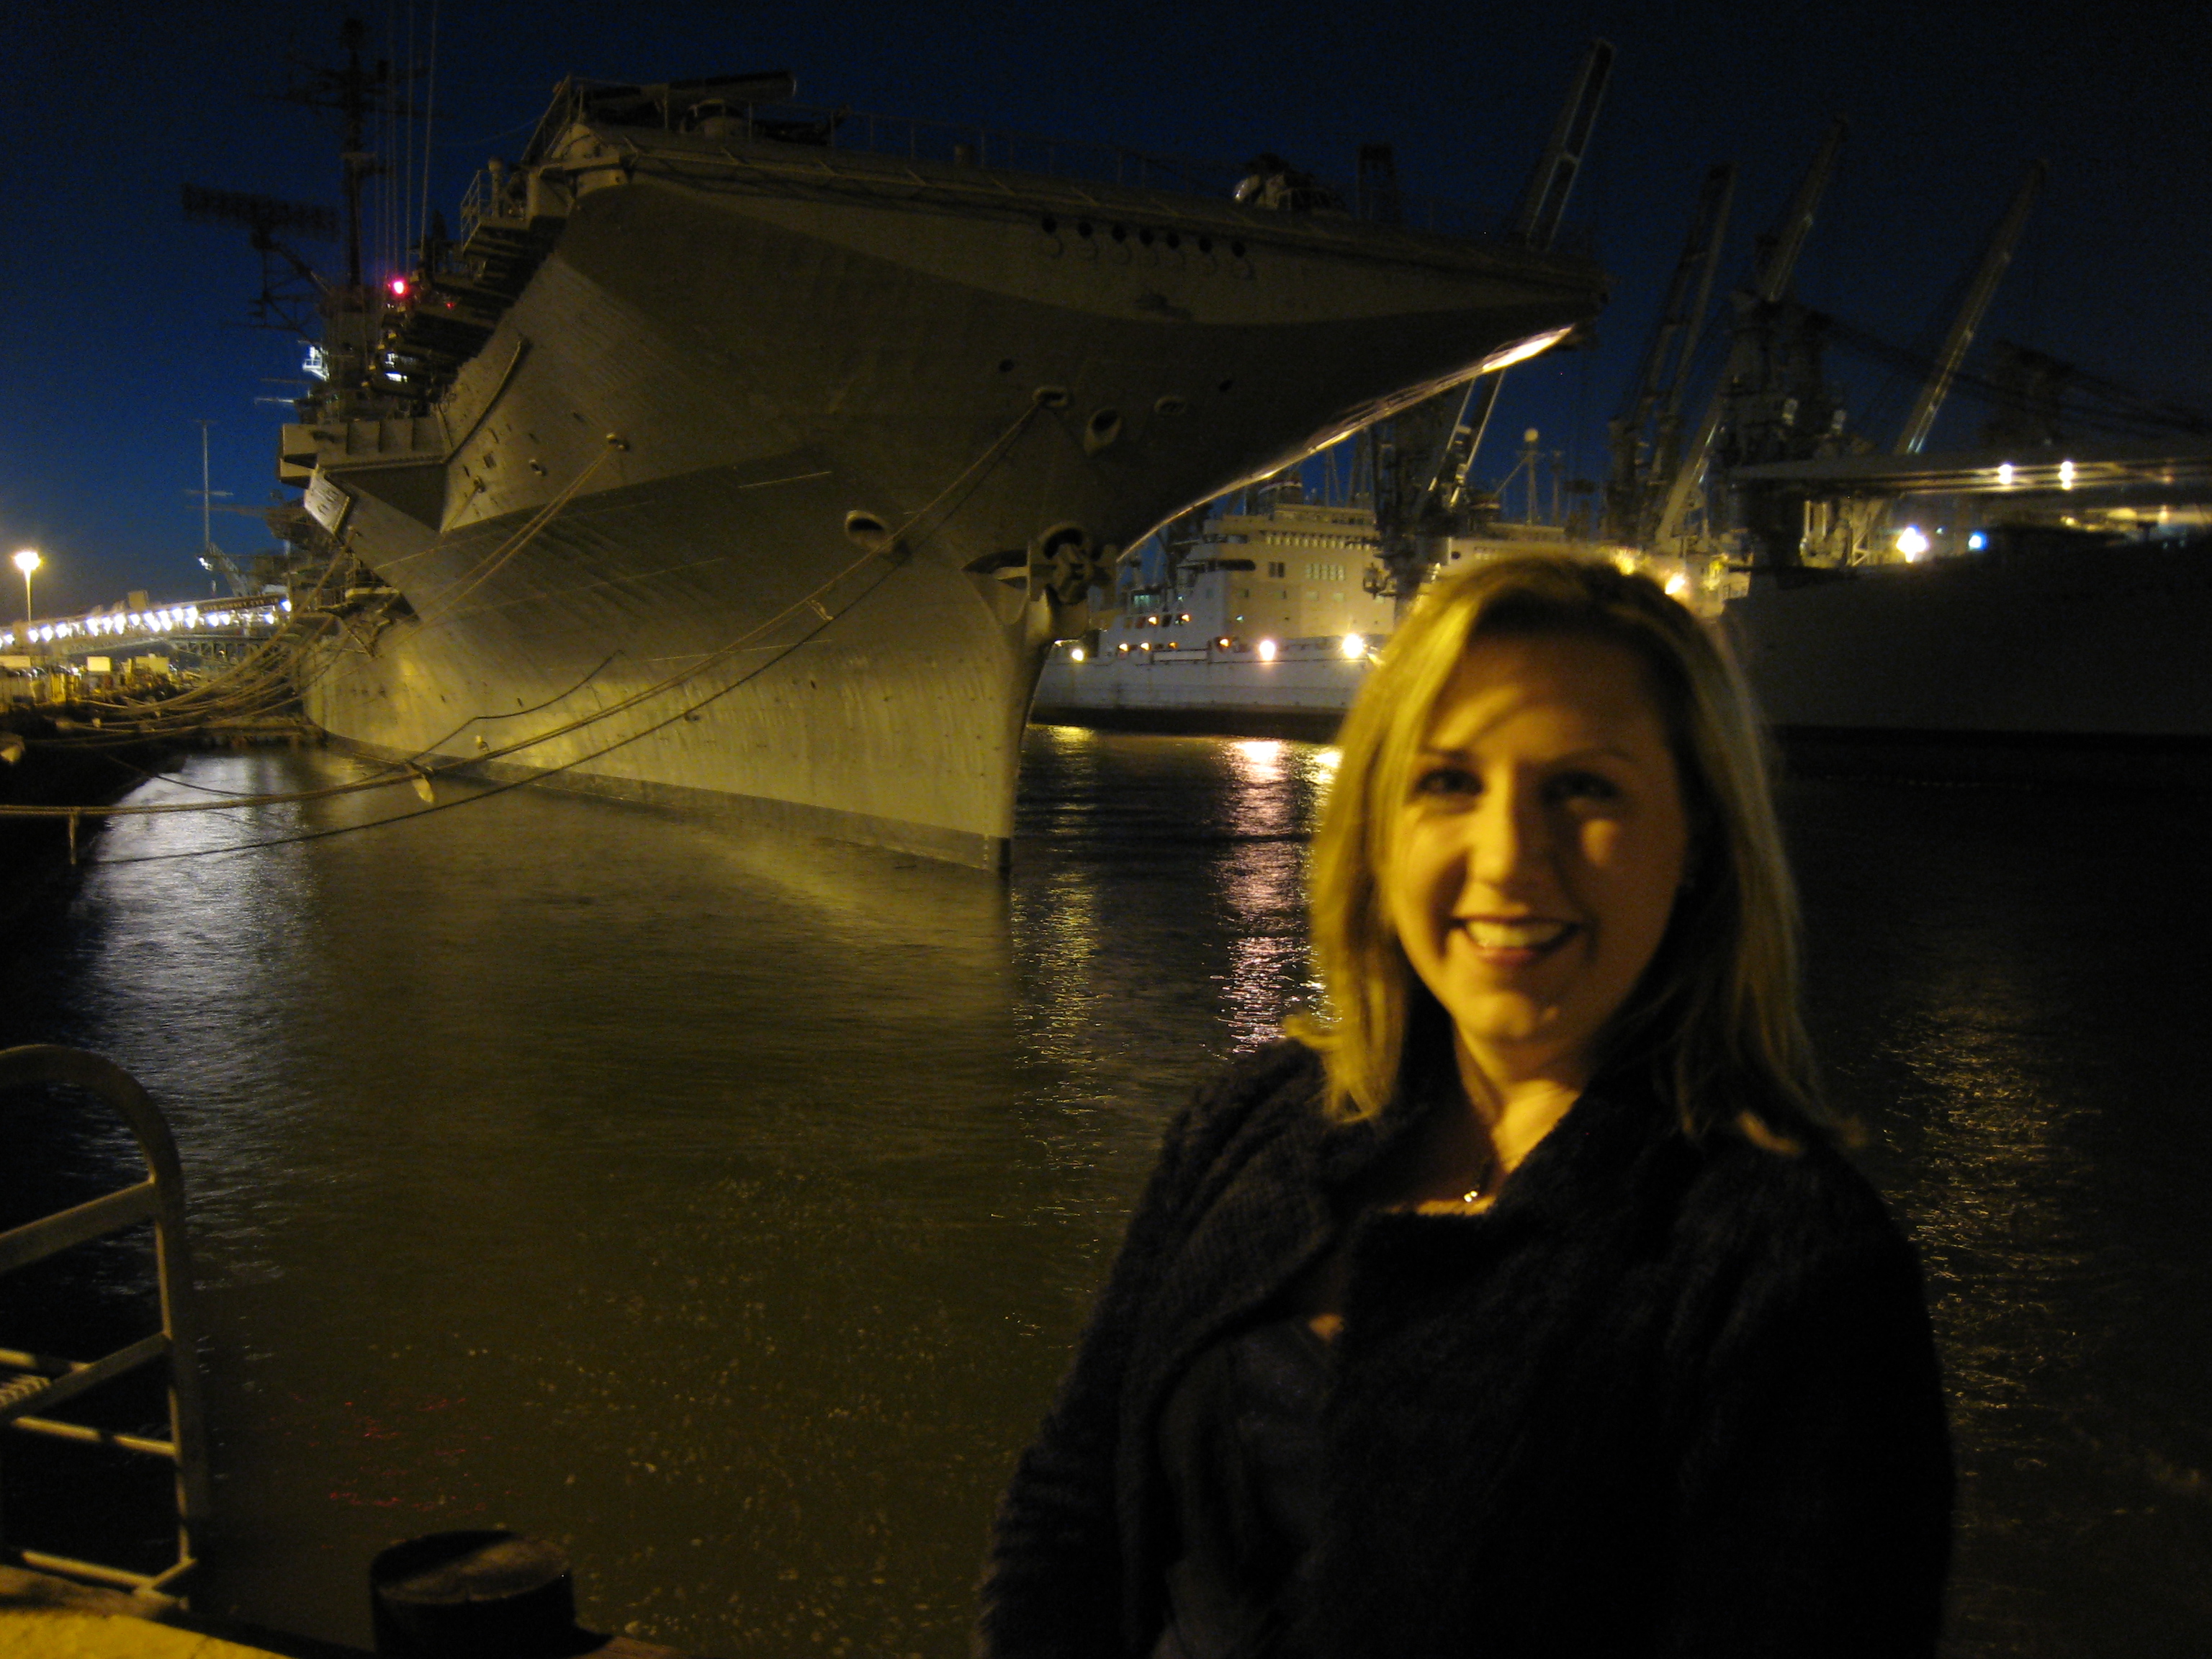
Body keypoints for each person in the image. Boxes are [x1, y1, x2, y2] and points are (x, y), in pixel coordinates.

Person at [979, 554, 1953, 1658]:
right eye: (1449, 783)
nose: (1510, 860)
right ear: (1381, 825)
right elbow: (1071, 1495)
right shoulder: (1249, 1122)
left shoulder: (1789, 1264)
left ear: (1698, 840)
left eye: (1584, 789)